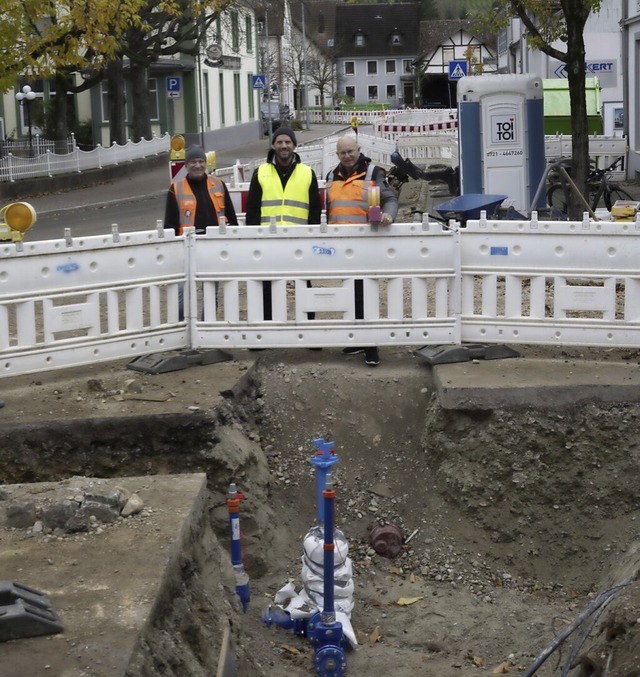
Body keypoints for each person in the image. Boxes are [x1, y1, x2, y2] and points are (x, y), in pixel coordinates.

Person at [325, 135, 399, 367]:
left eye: (351, 151)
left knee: (365, 293)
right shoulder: (330, 176)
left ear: (359, 150)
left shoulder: (373, 172)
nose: (347, 156)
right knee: (351, 293)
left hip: (366, 244)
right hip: (341, 245)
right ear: (337, 155)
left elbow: (389, 199)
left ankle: (371, 346)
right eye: (342, 153)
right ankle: (358, 339)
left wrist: (387, 215)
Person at [245, 127, 321, 322]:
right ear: (273, 145)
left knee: (303, 284)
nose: (284, 146)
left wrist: (312, 237)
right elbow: (252, 210)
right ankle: (266, 328)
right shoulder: (260, 172)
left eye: (288, 142)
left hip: (299, 240)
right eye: (279, 142)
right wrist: (253, 238)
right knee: (267, 286)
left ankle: (308, 326)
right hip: (268, 240)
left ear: (294, 145)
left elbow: (314, 210)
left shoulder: (307, 173)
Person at [164, 145, 238, 319]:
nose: (197, 165)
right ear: (186, 165)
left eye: (200, 161)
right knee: (181, 292)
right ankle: (182, 327)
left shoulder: (218, 184)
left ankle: (206, 326)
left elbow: (231, 217)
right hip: (185, 248)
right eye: (193, 162)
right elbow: (170, 225)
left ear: (206, 163)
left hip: (213, 246)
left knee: (210, 290)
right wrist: (172, 250)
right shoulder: (176, 189)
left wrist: (232, 241)